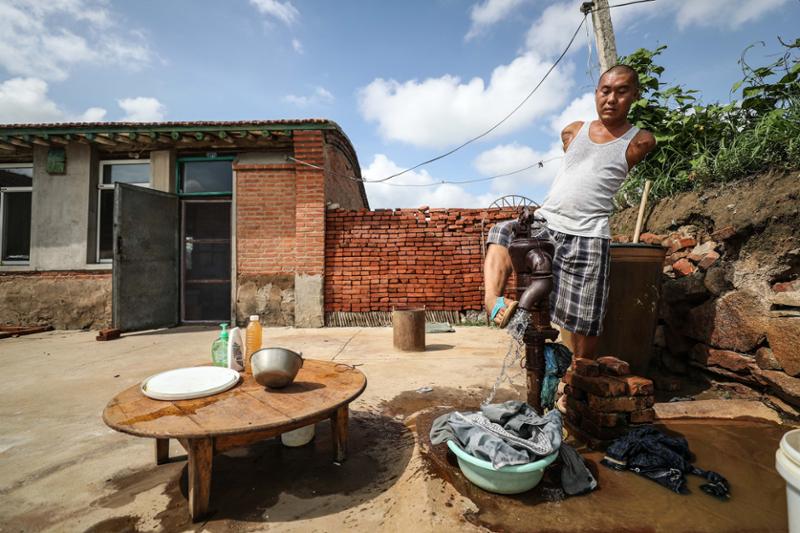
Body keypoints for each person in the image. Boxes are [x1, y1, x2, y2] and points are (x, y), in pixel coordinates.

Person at [484, 64, 656, 361]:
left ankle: (580, 373)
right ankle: (492, 302)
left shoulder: (639, 141)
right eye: (605, 91)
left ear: (635, 96)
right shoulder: (574, 131)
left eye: (621, 91)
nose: (611, 99)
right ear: (596, 93)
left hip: (589, 233)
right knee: (502, 231)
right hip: (547, 221)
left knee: (586, 319)